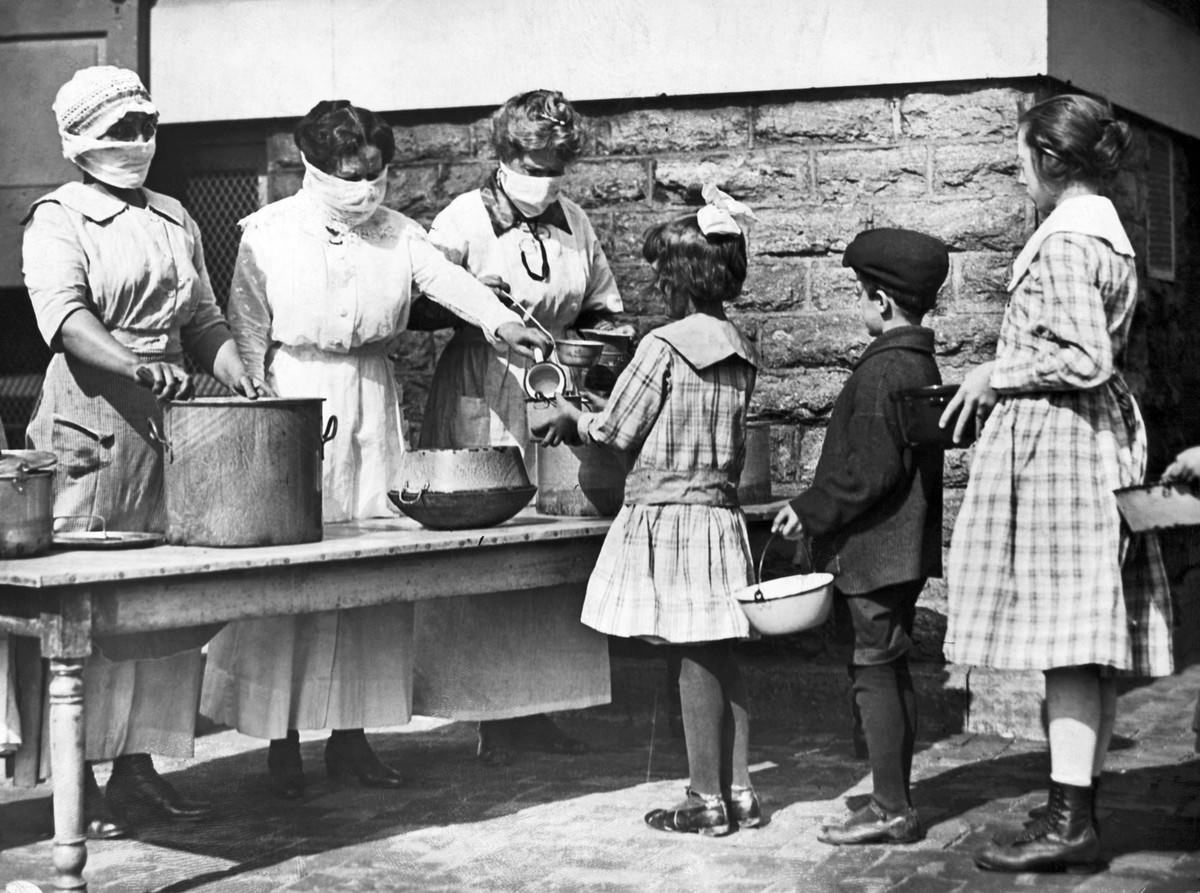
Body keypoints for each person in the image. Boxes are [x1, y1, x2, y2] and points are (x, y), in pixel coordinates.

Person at [199, 100, 550, 799]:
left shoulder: (399, 233)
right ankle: (281, 739)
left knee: (373, 568)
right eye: (349, 175)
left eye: (375, 174)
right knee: (298, 563)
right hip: (295, 394)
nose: (364, 188)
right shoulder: (268, 234)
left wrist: (503, 322)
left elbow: (450, 283)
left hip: (370, 397)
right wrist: (262, 405)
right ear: (316, 168)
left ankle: (353, 735)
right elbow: (245, 330)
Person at [21, 65, 268, 839]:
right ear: (82, 140)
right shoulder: (58, 217)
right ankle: (80, 776)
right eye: (121, 130)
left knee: (159, 606)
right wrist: (134, 364)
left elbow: (199, 317)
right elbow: (64, 319)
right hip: (91, 422)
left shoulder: (172, 215)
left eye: (146, 126)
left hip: (168, 427)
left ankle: (139, 765)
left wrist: (240, 373)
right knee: (85, 610)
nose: (139, 142)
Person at [939, 94, 1174, 873]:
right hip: (1093, 440)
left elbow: (1083, 358)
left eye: (1019, 160)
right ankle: (1076, 794)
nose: (1017, 175)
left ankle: (1072, 820)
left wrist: (993, 373)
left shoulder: (1069, 242)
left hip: (1065, 451)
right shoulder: (1106, 234)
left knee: (1071, 644)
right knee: (1085, 639)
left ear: (1048, 158)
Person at [410, 89, 625, 765]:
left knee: (554, 542)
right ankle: (489, 711)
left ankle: (543, 703)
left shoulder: (574, 222)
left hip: (554, 388)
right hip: (484, 383)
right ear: (506, 153)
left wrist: (592, 350)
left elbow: (602, 307)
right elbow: (415, 300)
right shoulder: (464, 218)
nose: (548, 173)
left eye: (560, 161)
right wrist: (477, 307)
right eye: (536, 160)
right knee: (492, 540)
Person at [538, 186, 760, 835]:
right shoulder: (737, 345)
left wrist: (572, 416)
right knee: (723, 652)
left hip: (671, 515)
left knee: (689, 654)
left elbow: (616, 429)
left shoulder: (664, 345)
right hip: (718, 514)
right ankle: (740, 790)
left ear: (679, 281)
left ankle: (703, 799)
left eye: (662, 275)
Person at [772, 228, 948, 845]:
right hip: (902, 549)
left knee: (874, 670)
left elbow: (871, 471)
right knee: (891, 668)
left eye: (860, 293)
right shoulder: (917, 359)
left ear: (880, 300)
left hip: (876, 551)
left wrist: (810, 510)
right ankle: (890, 797)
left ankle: (892, 808)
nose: (859, 304)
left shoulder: (885, 368)